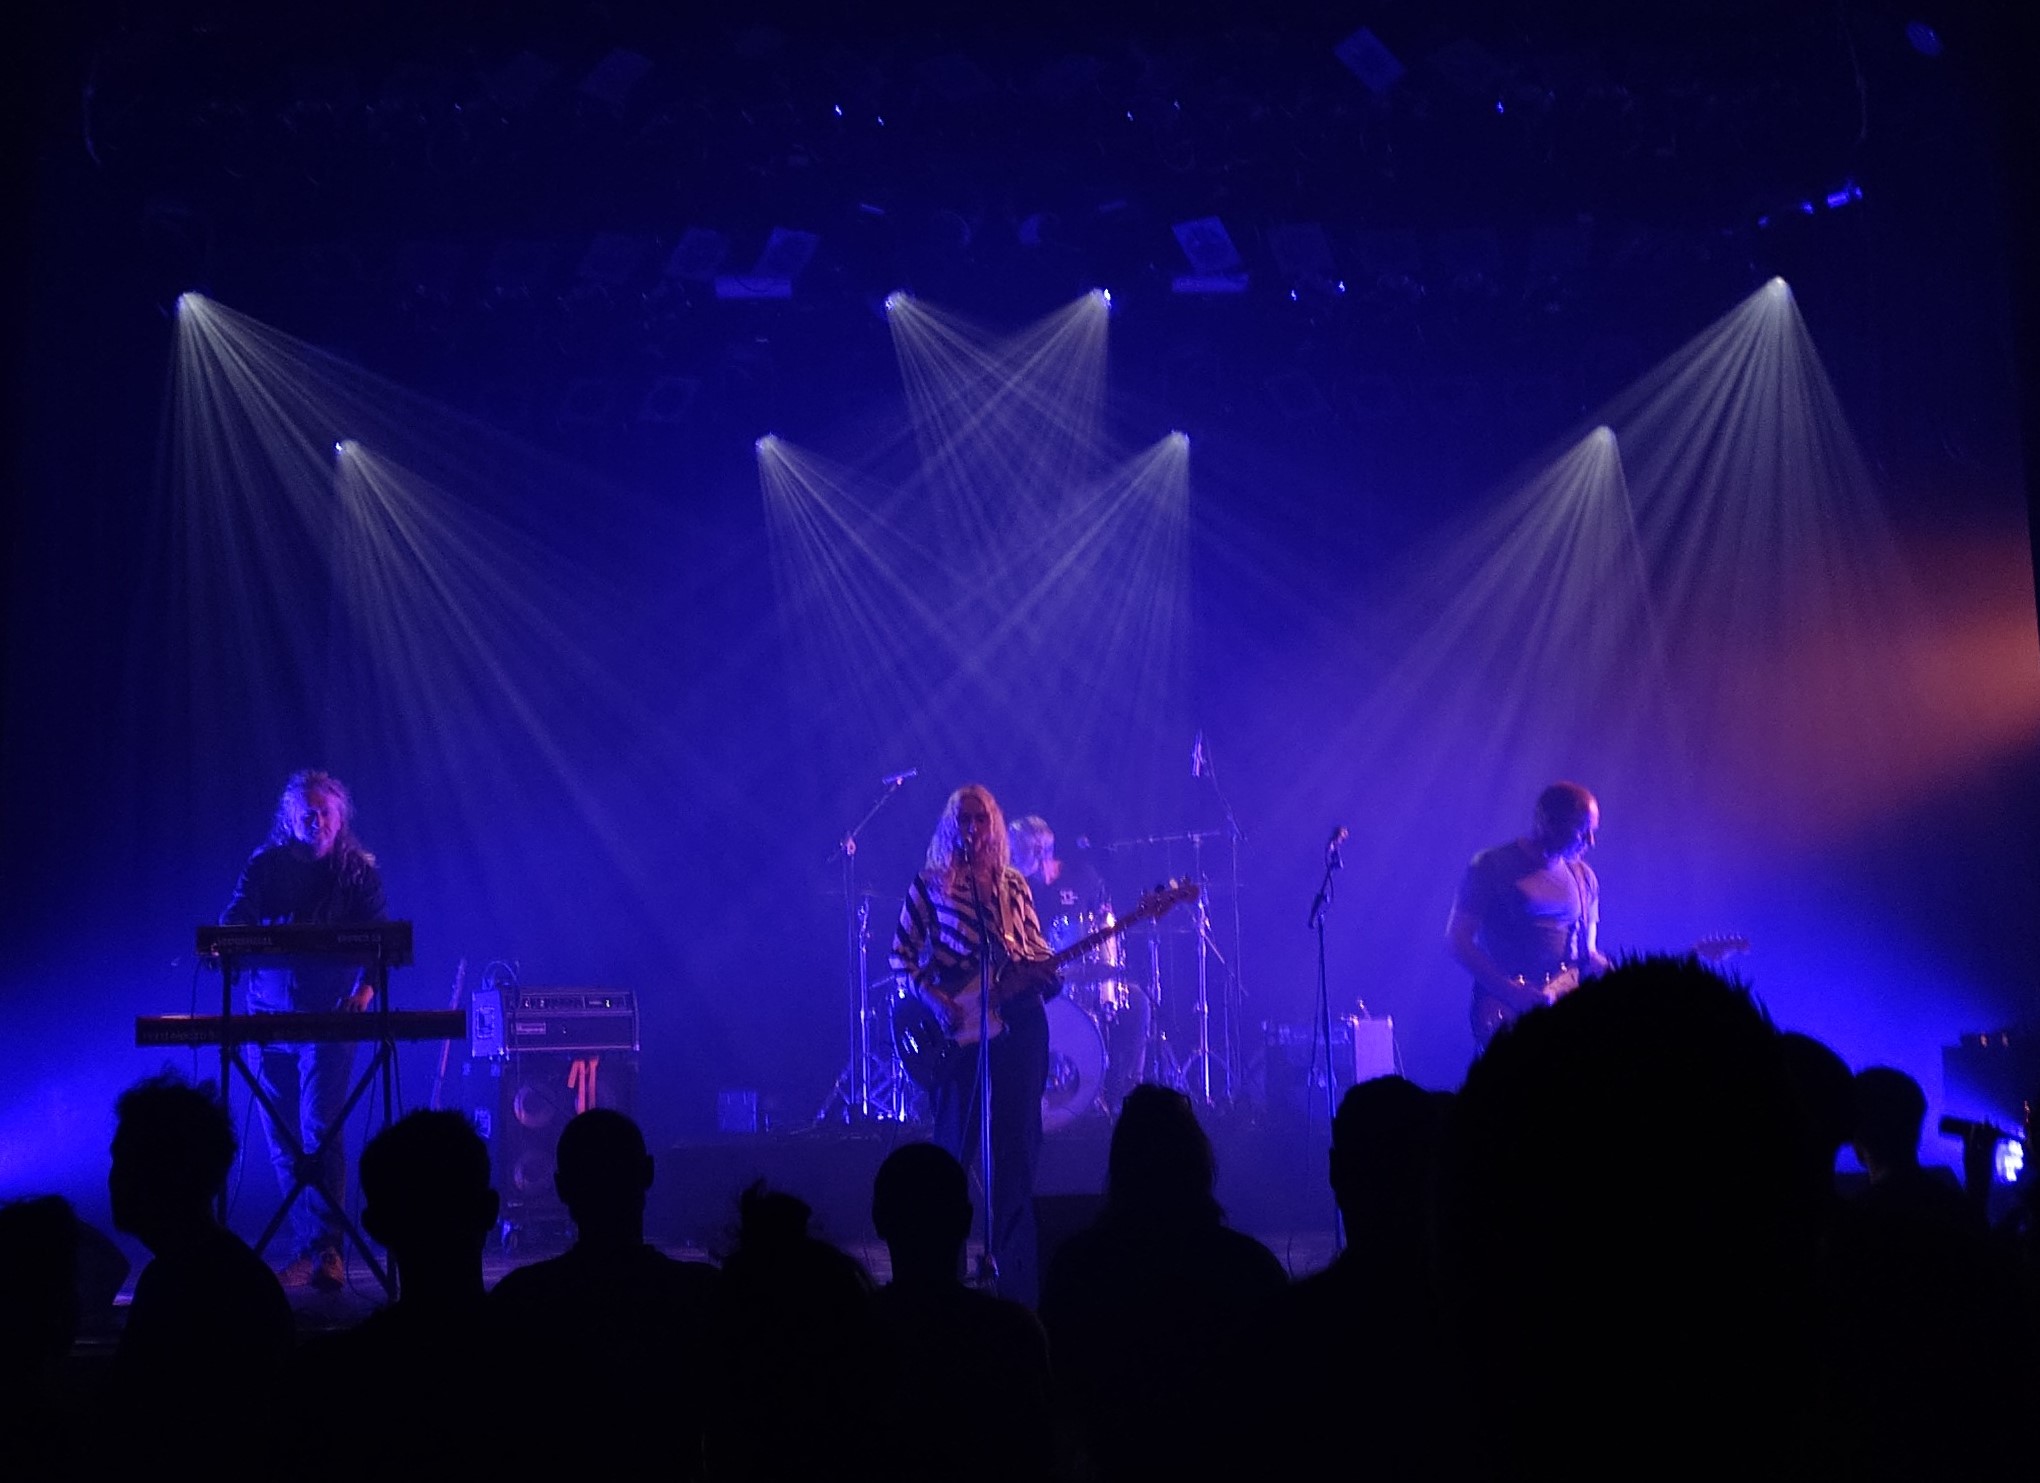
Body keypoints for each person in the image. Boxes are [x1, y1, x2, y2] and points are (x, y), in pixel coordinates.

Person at [890, 784, 1059, 1305]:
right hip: (960, 1026)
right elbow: (900, 955)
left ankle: (1012, 1268)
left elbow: (1035, 946)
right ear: (951, 825)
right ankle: (944, 1274)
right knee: (954, 1147)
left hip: (1019, 1021)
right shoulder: (930, 883)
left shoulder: (1013, 885)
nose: (973, 828)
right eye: (963, 819)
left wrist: (1045, 972)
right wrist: (935, 998)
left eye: (981, 819)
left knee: (1017, 1144)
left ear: (994, 825)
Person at [221, 768, 389, 1288]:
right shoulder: (265, 865)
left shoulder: (357, 873)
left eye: (324, 812)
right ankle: (309, 1245)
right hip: (267, 1018)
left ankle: (327, 1251)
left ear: (340, 818)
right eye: (306, 813)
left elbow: (383, 944)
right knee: (282, 1136)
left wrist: (363, 994)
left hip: (329, 1019)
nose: (316, 821)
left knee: (320, 1129)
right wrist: (229, 940)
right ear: (289, 818)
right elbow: (235, 917)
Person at [105, 1074, 294, 1461]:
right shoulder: (222, 1274)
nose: (112, 1178)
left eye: (123, 1161)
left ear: (164, 1175)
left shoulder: (182, 1285)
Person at [1446, 780, 1610, 1049]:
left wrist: (1606, 967)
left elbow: (1588, 952)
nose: (1590, 842)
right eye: (1581, 830)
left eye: (1593, 831)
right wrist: (1509, 991)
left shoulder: (1585, 878)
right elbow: (1457, 939)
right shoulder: (1491, 865)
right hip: (1505, 1008)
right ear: (1547, 822)